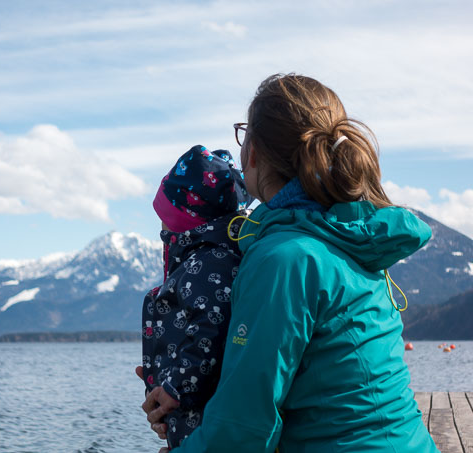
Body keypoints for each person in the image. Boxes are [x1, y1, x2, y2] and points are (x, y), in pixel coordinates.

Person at [141, 74, 439, 452]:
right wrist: (188, 385)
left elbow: (245, 425)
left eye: (243, 132)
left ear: (254, 152)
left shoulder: (285, 259)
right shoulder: (345, 236)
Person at [140, 144, 253, 449]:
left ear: (187, 219)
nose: (161, 225)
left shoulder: (208, 263)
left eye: (166, 215)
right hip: (187, 415)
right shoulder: (197, 262)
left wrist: (174, 387)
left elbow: (211, 329)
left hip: (201, 415)